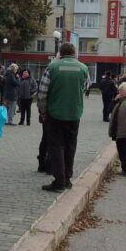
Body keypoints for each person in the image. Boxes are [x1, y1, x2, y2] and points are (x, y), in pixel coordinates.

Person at [37, 42, 89, 192]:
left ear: (60, 52)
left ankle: (59, 181)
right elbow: (85, 87)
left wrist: (43, 112)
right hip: (74, 114)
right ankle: (67, 178)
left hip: (55, 114)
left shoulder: (52, 67)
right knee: (70, 146)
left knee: (56, 147)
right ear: (74, 53)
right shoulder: (84, 68)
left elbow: (42, 93)